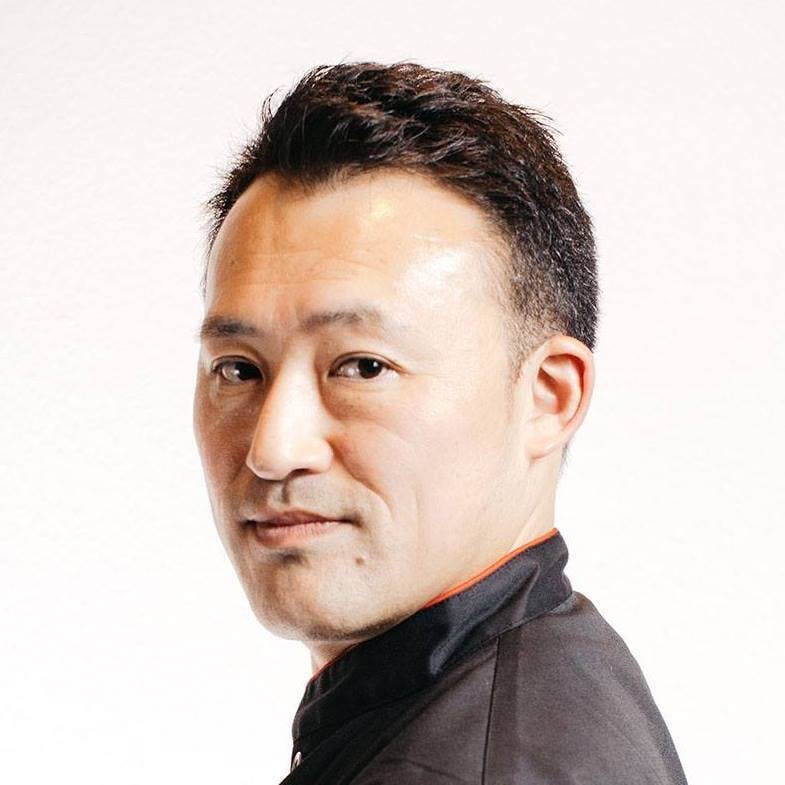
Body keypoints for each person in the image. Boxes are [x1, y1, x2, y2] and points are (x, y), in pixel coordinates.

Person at [192, 61, 688, 784]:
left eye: (363, 366)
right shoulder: (544, 680)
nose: (273, 447)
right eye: (239, 369)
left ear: (547, 396)